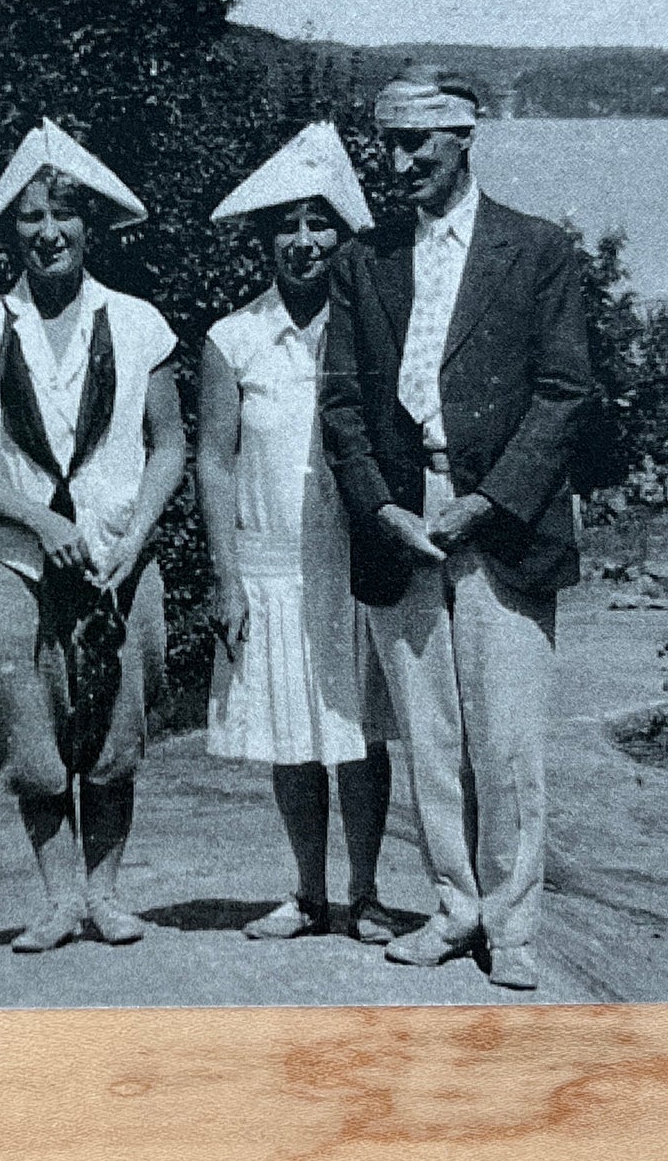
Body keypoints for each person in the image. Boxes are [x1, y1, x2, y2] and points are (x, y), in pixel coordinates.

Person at [321, 68, 591, 989]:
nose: (400, 162)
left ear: (464, 136)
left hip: (503, 527)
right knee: (430, 737)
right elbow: (341, 404)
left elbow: (564, 394)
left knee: (506, 741)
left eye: (418, 144)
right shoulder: (362, 261)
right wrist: (382, 508)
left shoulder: (538, 250)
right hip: (401, 526)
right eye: (388, 144)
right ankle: (454, 905)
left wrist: (487, 503)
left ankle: (511, 924)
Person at [0, 120, 186, 953]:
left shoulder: (140, 323)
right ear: (11, 229)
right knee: (30, 728)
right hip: (11, 559)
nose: (49, 232)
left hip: (119, 555)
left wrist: (135, 537)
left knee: (116, 729)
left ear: (91, 224)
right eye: (32, 216)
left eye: (65, 214)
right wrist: (40, 520)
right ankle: (58, 899)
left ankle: (106, 894)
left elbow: (170, 444)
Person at [198, 123, 395, 942]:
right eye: (287, 225)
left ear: (344, 234)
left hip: (356, 561)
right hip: (272, 560)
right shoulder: (233, 338)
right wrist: (226, 574)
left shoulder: (371, 328)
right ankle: (308, 893)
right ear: (265, 239)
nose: (305, 241)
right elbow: (214, 460)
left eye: (321, 223)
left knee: (357, 732)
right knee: (292, 732)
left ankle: (366, 893)